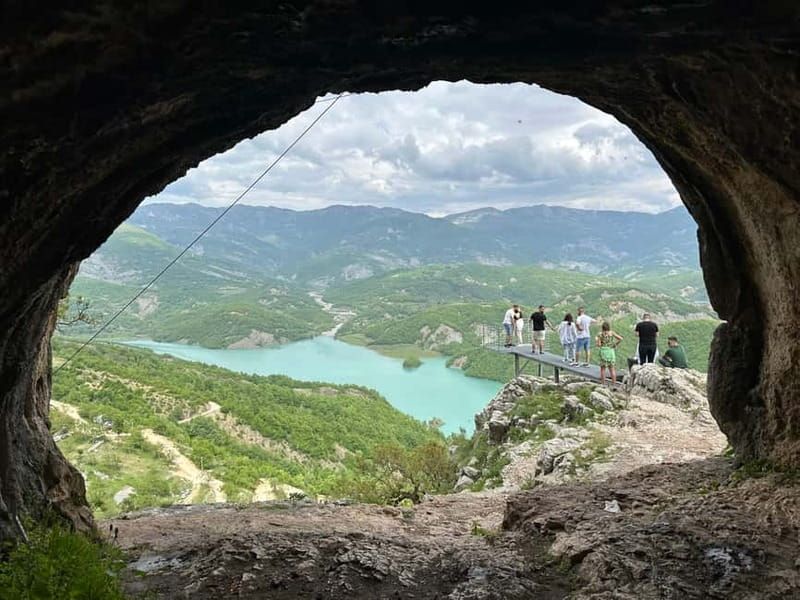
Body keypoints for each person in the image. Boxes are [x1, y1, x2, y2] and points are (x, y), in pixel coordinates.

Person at [596, 321, 623, 386]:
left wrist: (597, 341)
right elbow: (620, 339)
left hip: (603, 352)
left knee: (603, 369)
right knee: (612, 369)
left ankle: (603, 384)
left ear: (602, 327)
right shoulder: (612, 333)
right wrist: (615, 344)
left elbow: (599, 345)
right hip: (610, 351)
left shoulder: (600, 334)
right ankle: (614, 385)